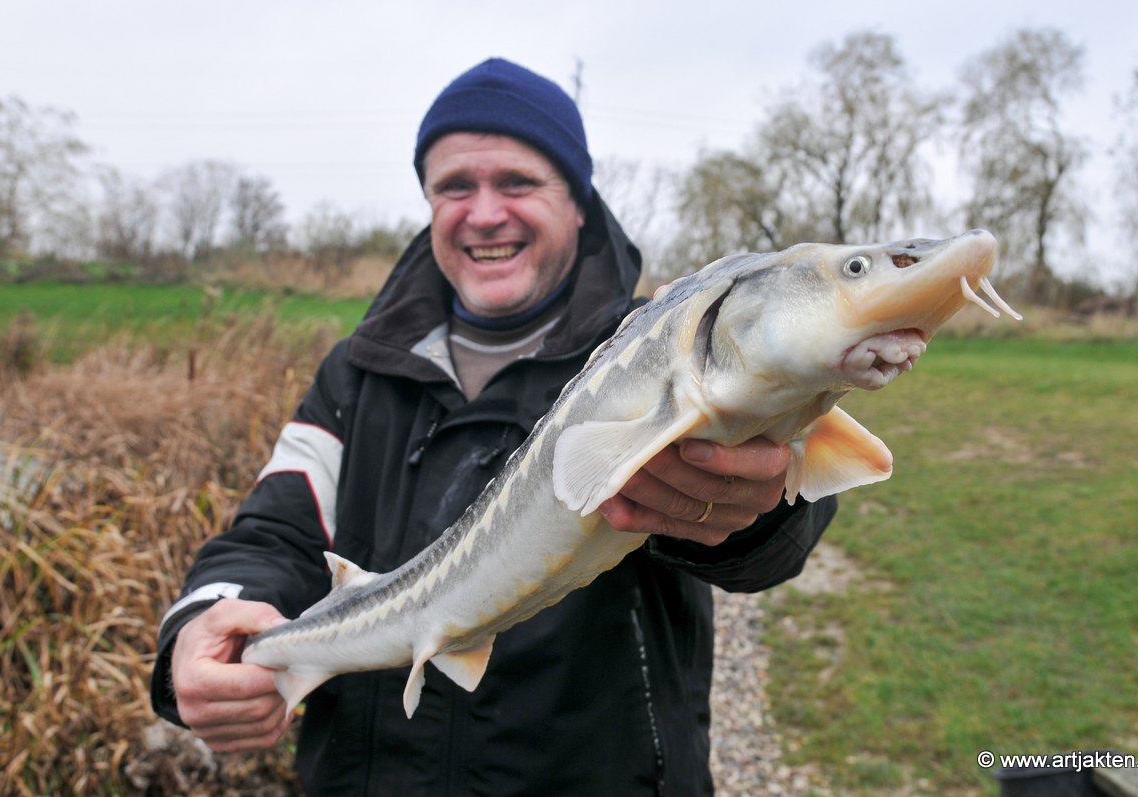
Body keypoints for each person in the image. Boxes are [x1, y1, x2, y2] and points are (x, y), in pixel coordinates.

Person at [151, 58, 837, 796]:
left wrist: (747, 511)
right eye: (454, 186)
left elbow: (778, 527)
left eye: (516, 182)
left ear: (577, 201)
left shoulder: (655, 347)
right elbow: (273, 532)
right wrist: (198, 623)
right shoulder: (355, 373)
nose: (483, 213)